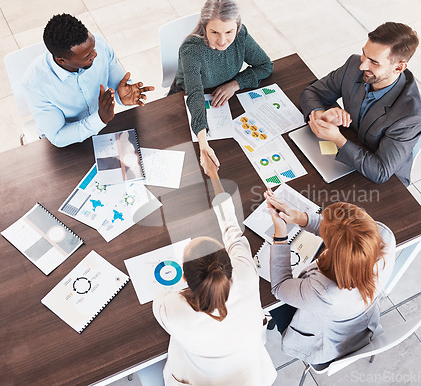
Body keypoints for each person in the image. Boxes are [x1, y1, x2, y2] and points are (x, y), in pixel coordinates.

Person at [152, 150, 277, 385]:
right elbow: (232, 228)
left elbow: (159, 296)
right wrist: (214, 175)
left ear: (185, 280)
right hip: (252, 377)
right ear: (228, 264)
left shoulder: (173, 308)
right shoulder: (246, 274)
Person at [264, 190, 395, 365]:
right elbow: (345, 232)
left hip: (328, 344)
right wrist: (299, 217)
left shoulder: (325, 293)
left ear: (335, 252)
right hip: (361, 320)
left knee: (265, 296)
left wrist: (280, 235)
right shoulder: (384, 236)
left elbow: (279, 286)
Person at [300, 22, 421, 186]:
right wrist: (319, 113)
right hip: (355, 145)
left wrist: (339, 140)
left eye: (374, 62)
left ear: (399, 67)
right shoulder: (353, 65)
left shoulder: (410, 117)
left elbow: (381, 171)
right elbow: (313, 92)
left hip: (386, 181)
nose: (362, 65)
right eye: (364, 54)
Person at [23, 13, 154, 147]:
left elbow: (119, 85)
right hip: (66, 142)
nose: (95, 54)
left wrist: (124, 95)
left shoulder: (101, 46)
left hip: (101, 126)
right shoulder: (36, 83)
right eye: (88, 56)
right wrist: (99, 119)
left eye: (93, 47)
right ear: (61, 61)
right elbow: (58, 136)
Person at [173, 0, 273, 172]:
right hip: (185, 97)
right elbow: (195, 94)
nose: (222, 40)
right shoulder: (191, 50)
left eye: (229, 32)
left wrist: (235, 84)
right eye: (214, 32)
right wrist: (204, 146)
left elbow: (265, 66)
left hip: (224, 97)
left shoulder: (241, 36)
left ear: (237, 26)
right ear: (204, 28)